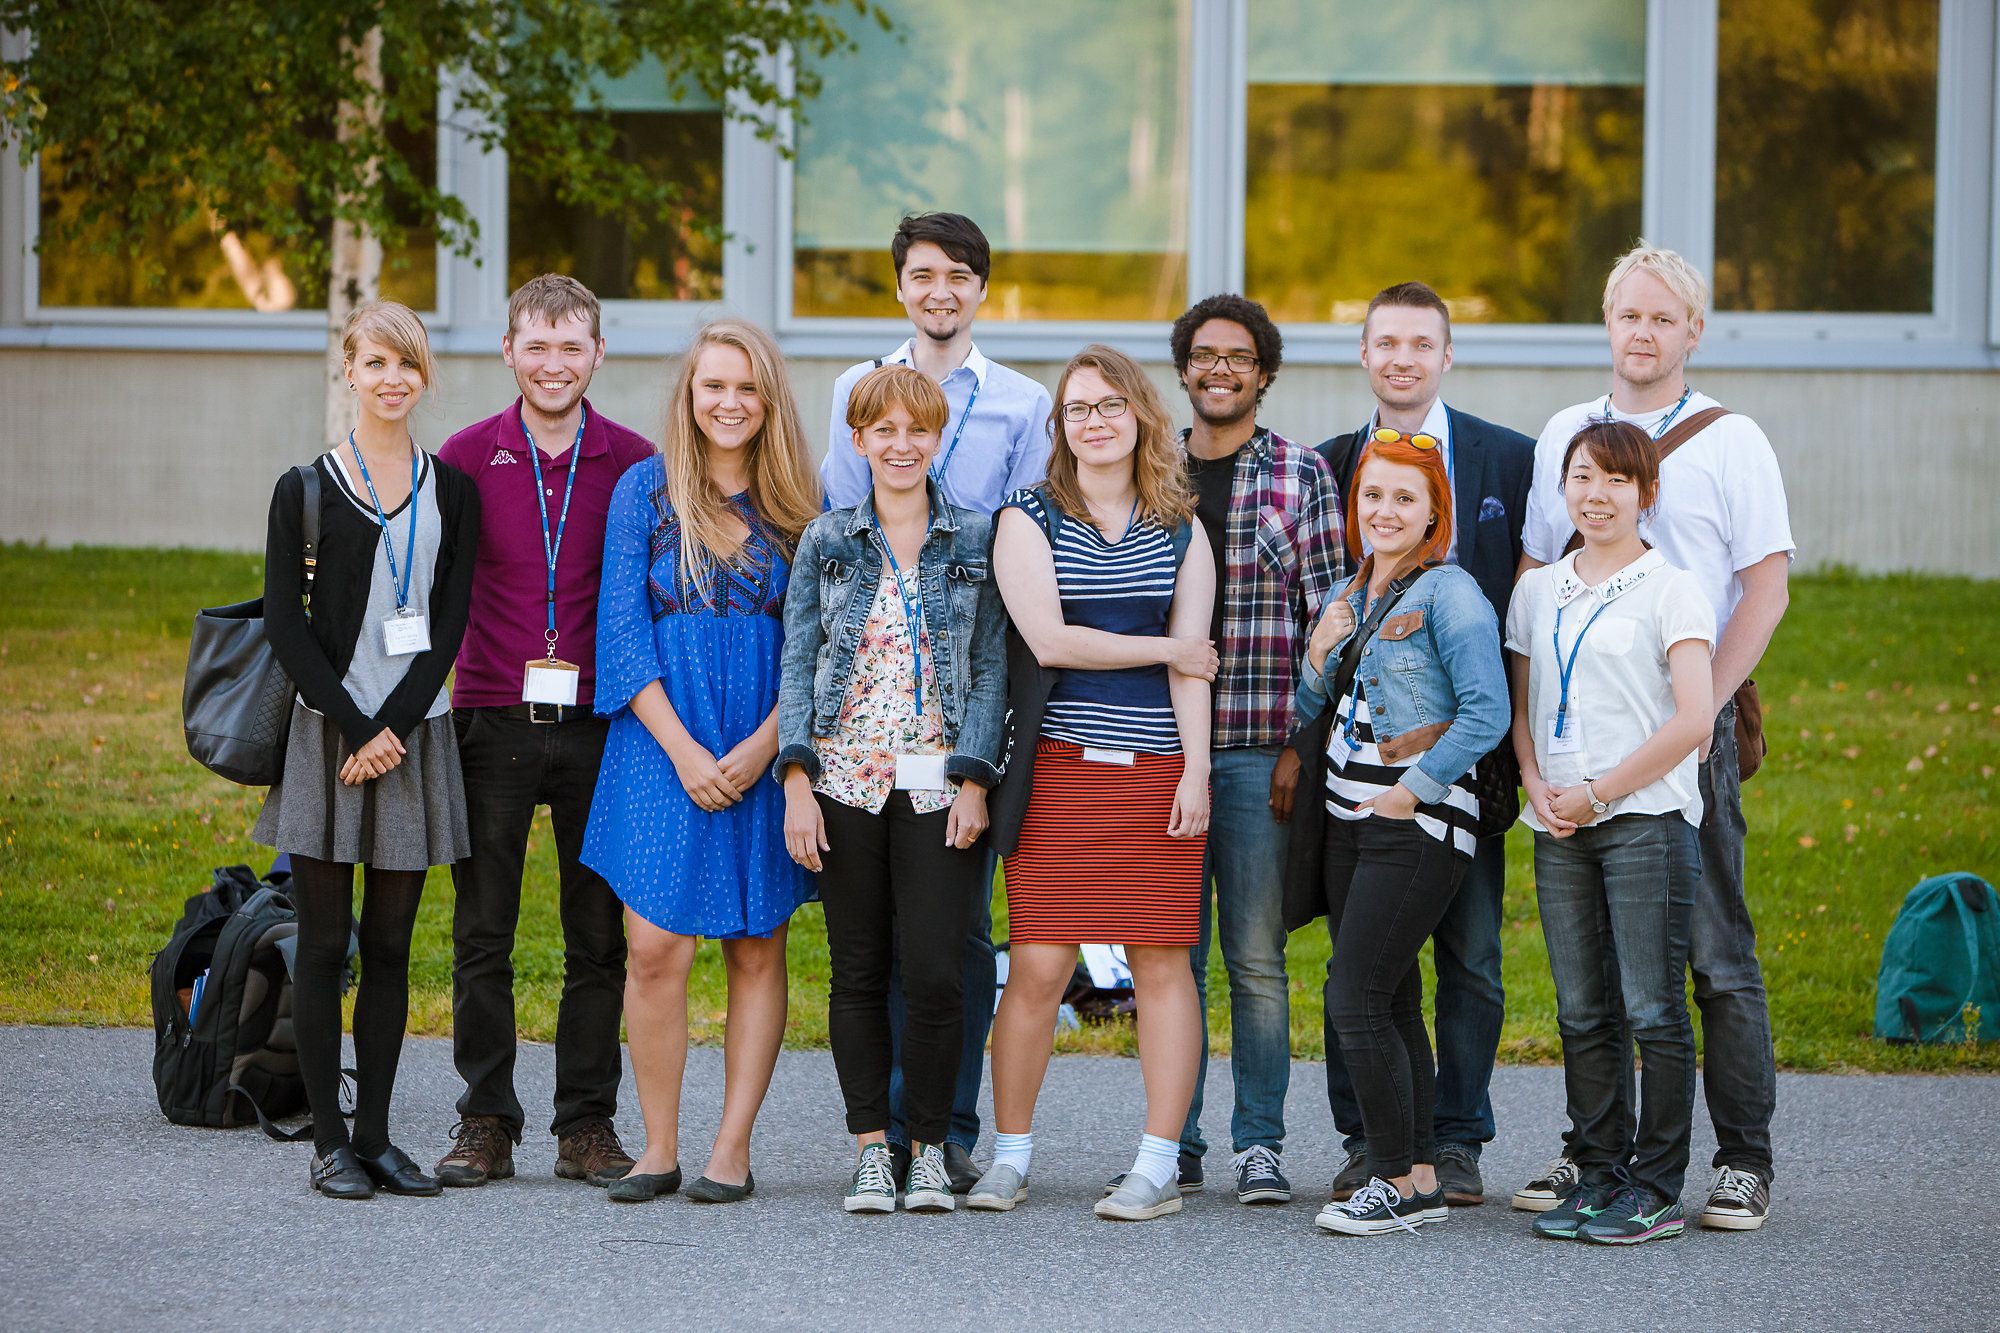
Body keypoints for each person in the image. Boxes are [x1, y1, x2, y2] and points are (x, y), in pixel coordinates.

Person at [1519, 244, 1794, 1232]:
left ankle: (1740, 1157)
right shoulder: (1566, 431)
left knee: (1710, 946)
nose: (1640, 333)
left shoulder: (1731, 441)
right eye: (1625, 316)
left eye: (1660, 319)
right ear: (1606, 323)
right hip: (1580, 737)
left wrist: (1704, 709)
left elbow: (1764, 584)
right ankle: (1595, 1153)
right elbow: (1535, 575)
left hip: (1687, 727)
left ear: (1691, 331)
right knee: (1592, 966)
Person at [821, 212, 1053, 1191]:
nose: (939, 290)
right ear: (901, 285)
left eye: (958, 275)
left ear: (980, 289)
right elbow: (840, 543)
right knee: (872, 942)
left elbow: (1031, 545)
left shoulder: (1022, 403)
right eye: (922, 274)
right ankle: (884, 1136)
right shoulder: (854, 390)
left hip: (972, 687)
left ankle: (946, 1125)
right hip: (872, 698)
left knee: (955, 935)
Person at [969, 345, 1217, 1222]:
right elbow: (1050, 640)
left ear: (1141, 414)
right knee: (1037, 963)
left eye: (1111, 405)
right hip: (1060, 772)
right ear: (1061, 427)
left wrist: (1196, 770)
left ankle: (1154, 1168)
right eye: (1078, 409)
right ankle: (1010, 1157)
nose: (1095, 421)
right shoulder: (1027, 517)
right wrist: (1164, 648)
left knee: (1161, 963)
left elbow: (1198, 671)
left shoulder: (1183, 527)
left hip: (1157, 774)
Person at [582, 319, 821, 1204]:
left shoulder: (801, 502)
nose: (729, 402)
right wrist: (684, 750)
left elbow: (815, 644)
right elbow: (620, 629)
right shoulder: (645, 490)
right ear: (690, 394)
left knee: (757, 944)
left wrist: (763, 750)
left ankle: (731, 1147)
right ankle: (657, 1144)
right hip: (660, 738)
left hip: (763, 733)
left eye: (746, 387)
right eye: (713, 385)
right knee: (653, 948)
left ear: (770, 400)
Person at [1312, 281, 1534, 1207]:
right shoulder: (1327, 465)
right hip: (1353, 783)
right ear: (1364, 355)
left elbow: (1522, 615)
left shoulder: (1509, 460)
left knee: (1470, 957)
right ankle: (1375, 1141)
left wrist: (1490, 760)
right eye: (1384, 342)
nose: (1401, 357)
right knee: (1368, 969)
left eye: (1420, 342)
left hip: (1450, 777)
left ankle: (1454, 1140)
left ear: (1446, 355)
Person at [433, 275, 655, 1190]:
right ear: (509, 351)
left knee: (595, 934)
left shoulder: (636, 462)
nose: (554, 363)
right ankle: (486, 1119)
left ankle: (585, 1124)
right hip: (490, 715)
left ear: (597, 355)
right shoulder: (463, 455)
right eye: (538, 345)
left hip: (601, 725)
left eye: (572, 347)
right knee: (482, 930)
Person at [254, 300, 479, 1200]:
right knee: (322, 944)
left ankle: (380, 1137)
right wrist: (356, 727)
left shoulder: (449, 488)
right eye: (376, 363)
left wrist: (394, 728)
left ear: (425, 378)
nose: (393, 381)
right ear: (349, 369)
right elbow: (285, 622)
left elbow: (450, 620)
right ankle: (329, 1143)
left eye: (409, 367)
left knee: (391, 947)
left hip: (413, 736)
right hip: (330, 735)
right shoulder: (303, 488)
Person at [776, 366, 1007, 1214]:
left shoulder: (974, 538)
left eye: (918, 430)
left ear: (937, 437)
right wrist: (798, 779)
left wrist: (975, 777)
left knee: (940, 972)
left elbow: (989, 669)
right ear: (859, 439)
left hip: (941, 789)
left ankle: (932, 1145)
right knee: (860, 970)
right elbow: (798, 659)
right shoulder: (828, 540)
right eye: (884, 431)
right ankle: (874, 1146)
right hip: (845, 783)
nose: (901, 445)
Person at [1508, 419, 1715, 1245]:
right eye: (1582, 478)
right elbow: (1523, 709)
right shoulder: (1538, 590)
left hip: (1644, 821)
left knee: (1652, 1008)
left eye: (1616, 481)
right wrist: (1536, 782)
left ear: (1647, 493)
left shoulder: (1674, 588)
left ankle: (1656, 1185)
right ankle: (1598, 1174)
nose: (1596, 495)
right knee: (1583, 1009)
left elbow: (1695, 717)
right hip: (1557, 819)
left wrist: (1598, 792)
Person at [1296, 433, 1507, 1236]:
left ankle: (1389, 1178)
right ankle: (1418, 1174)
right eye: (1372, 496)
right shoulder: (1349, 589)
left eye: (1404, 499)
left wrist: (1410, 794)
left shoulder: (1451, 593)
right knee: (1392, 998)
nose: (1384, 511)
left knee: (1352, 996)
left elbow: (1487, 710)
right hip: (1350, 821)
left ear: (1434, 513)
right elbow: (1313, 709)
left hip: (1413, 823)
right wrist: (1320, 650)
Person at [1166, 293, 1345, 1204]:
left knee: (1255, 957)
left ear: (1263, 374)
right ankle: (1176, 1136)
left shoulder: (1301, 475)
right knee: (1169, 954)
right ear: (1185, 368)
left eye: (1239, 355)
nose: (1221, 368)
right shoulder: (1149, 468)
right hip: (1160, 749)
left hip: (1256, 748)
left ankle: (1260, 1144)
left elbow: (1330, 623)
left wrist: (1299, 747)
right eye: (1205, 354)